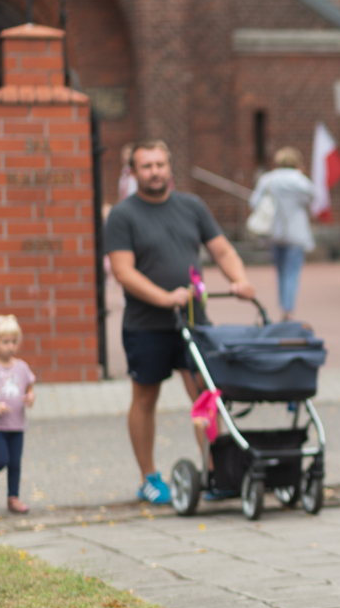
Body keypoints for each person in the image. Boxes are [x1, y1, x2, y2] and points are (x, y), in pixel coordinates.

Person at [106, 141, 256, 505]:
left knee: (206, 397)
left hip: (194, 323)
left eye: (160, 164)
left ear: (170, 167)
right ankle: (148, 479)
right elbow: (124, 272)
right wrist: (165, 297)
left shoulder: (192, 206)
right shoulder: (123, 216)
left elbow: (222, 249)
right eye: (146, 166)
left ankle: (216, 470)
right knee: (144, 398)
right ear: (133, 172)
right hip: (146, 325)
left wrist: (238, 279)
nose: (154, 171)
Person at [249, 147, 316, 322]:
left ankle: (283, 306)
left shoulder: (268, 179)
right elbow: (313, 198)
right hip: (296, 233)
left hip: (274, 232)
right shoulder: (300, 181)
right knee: (292, 272)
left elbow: (254, 202)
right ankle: (288, 310)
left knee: (280, 271)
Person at [0, 316, 35, 514]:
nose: (11, 346)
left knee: (15, 463)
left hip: (17, 424)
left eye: (14, 342)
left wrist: (31, 396)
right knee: (1, 460)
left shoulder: (21, 367)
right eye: (5, 342)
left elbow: (30, 386)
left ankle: (13, 498)